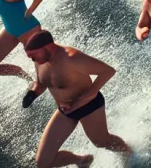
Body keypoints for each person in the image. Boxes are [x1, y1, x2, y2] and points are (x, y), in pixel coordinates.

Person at [22, 31, 132, 167]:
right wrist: (32, 94)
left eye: (33, 55)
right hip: (65, 111)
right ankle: (81, 161)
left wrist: (84, 98)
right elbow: (41, 83)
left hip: (89, 106)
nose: (32, 60)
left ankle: (128, 152)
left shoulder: (72, 58)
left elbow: (108, 71)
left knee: (101, 142)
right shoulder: (40, 61)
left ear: (47, 47)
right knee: (42, 162)